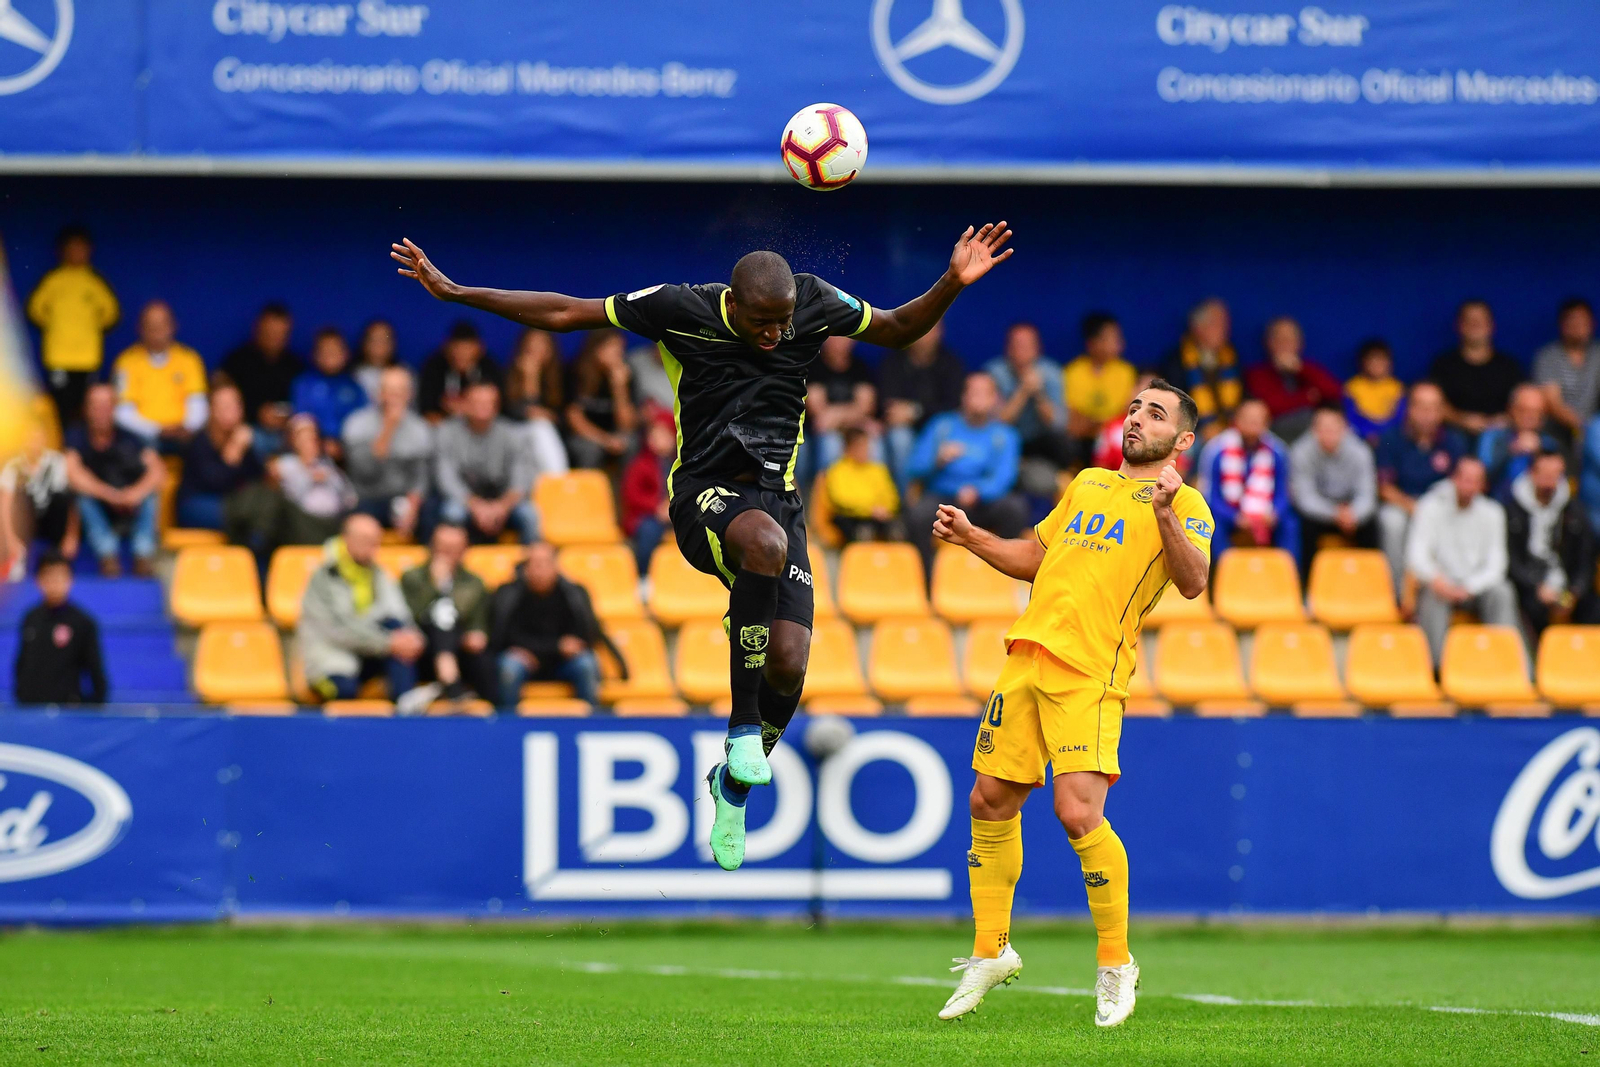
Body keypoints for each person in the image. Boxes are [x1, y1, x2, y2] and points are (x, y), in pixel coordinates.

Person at [394, 216, 1013, 872]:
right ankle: (742, 728)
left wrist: (950, 282)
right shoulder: (679, 308)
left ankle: (734, 784)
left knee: (792, 658)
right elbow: (566, 311)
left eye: (784, 323)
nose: (775, 337)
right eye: (761, 323)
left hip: (780, 501)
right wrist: (460, 293)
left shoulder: (812, 302)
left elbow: (894, 327)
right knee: (765, 547)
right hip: (704, 496)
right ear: (734, 303)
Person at [931, 379, 1212, 1027]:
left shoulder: (1186, 501)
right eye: (1136, 407)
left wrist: (1166, 511)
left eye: (1156, 412)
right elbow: (1039, 555)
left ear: (1183, 440)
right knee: (988, 799)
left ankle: (1116, 963)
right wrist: (974, 538)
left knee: (1077, 811)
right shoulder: (1086, 481)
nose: (1139, 418)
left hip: (1090, 668)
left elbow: (1194, 581)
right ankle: (990, 950)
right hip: (1027, 654)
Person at [905, 373, 1028, 578]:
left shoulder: (1004, 435)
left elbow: (1005, 477)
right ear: (963, 397)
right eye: (973, 393)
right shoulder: (942, 426)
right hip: (944, 501)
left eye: (984, 393)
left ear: (994, 399)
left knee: (1015, 509)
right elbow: (914, 468)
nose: (978, 399)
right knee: (917, 516)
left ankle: (1002, 578)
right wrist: (938, 459)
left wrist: (978, 490)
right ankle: (928, 584)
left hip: (984, 502)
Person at [298, 513, 425, 704]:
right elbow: (337, 630)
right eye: (367, 541)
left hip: (366, 653)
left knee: (397, 627)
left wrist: (412, 637)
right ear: (347, 539)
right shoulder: (323, 578)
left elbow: (399, 613)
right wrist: (388, 643)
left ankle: (405, 704)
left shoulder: (379, 573)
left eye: (377, 542)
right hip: (331, 660)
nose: (373, 549)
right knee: (344, 690)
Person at [1404, 456, 1518, 664]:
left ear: (1483, 485)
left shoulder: (1493, 513)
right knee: (1432, 595)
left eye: (1475, 481)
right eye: (1465, 479)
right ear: (1453, 478)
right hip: (1440, 585)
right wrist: (1437, 580)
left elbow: (1497, 564)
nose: (1469, 486)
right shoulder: (1429, 506)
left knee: (1503, 592)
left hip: (1477, 589)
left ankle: (1507, 662)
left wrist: (1470, 588)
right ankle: (1435, 668)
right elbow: (1417, 555)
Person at [488, 541, 609, 709]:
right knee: (509, 667)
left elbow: (587, 634)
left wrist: (563, 649)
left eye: (545, 564)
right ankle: (506, 728)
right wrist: (557, 646)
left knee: (586, 664)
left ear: (556, 567)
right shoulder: (508, 593)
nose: (540, 571)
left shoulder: (575, 593)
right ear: (525, 568)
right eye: (535, 564)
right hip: (523, 660)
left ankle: (591, 724)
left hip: (563, 663)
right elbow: (502, 637)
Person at [1375, 382, 1467, 594]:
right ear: (1410, 409)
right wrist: (1413, 507)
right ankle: (1397, 593)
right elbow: (1384, 487)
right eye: (1423, 408)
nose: (1429, 415)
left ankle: (1448, 587)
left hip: (1441, 506)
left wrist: (1432, 509)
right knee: (1392, 521)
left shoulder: (1453, 442)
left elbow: (1459, 484)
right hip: (1403, 504)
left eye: (1435, 408)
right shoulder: (1391, 439)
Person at [63, 383, 164, 577]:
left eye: (106, 405)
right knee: (82, 498)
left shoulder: (132, 438)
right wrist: (110, 495)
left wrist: (136, 493)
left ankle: (143, 555)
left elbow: (157, 471)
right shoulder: (76, 437)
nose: (101, 412)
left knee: (151, 495)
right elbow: (73, 474)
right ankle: (107, 556)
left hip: (130, 506)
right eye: (96, 406)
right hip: (100, 509)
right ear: (86, 409)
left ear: (115, 408)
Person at [27, 225, 118, 428]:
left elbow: (111, 314)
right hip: (59, 357)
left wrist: (89, 328)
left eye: (81, 248)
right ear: (62, 251)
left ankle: (82, 450)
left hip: (87, 358)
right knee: (60, 407)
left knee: (87, 407)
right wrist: (57, 327)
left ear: (89, 251)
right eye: (72, 247)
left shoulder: (94, 282)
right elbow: (35, 310)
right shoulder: (53, 281)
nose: (77, 252)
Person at [229, 415, 355, 561]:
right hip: (298, 523)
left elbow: (349, 498)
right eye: (302, 438)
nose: (307, 444)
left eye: (311, 439)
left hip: (331, 523)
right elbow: (286, 501)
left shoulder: (328, 466)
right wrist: (308, 478)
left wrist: (330, 480)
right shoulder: (284, 465)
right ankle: (257, 539)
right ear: (293, 440)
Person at [399, 522, 493, 706]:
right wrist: (436, 585)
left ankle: (497, 715)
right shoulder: (412, 577)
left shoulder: (474, 583)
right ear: (432, 547)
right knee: (440, 627)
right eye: (443, 548)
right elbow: (411, 616)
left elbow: (477, 621)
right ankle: (452, 689)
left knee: (485, 660)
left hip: (460, 646)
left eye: (454, 549)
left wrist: (477, 633)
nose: (447, 554)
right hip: (422, 646)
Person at [1505, 449, 1597, 637]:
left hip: (1566, 585)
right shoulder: (1513, 511)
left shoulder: (1574, 511)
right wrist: (1535, 586)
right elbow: (1511, 559)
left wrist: (1575, 591)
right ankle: (1539, 662)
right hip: (1529, 586)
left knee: (1594, 608)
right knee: (1529, 607)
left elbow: (1586, 557)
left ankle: (1590, 662)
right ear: (1532, 473)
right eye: (1545, 475)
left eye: (1555, 475)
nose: (1549, 481)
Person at [434, 381, 540, 544]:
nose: (482, 408)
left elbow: (522, 479)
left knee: (529, 515)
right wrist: (476, 506)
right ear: (464, 405)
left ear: (497, 406)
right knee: (452, 512)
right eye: (476, 403)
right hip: (465, 500)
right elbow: (447, 479)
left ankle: (531, 566)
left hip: (504, 501)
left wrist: (502, 506)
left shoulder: (513, 434)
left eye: (488, 403)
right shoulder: (446, 432)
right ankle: (452, 566)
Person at [1196, 398, 1296, 556]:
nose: (1253, 424)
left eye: (1259, 420)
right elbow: (1209, 494)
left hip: (1266, 514)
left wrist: (1274, 513)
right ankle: (1223, 574)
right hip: (1229, 513)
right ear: (1237, 421)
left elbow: (1284, 492)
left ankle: (1288, 577)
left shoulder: (1278, 451)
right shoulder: (1216, 449)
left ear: (1267, 423)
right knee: (1211, 523)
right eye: (1249, 419)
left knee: (1290, 524)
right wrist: (1234, 517)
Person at [341, 366, 433, 538]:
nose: (394, 398)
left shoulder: (420, 428)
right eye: (389, 391)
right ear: (378, 393)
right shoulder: (357, 423)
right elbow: (364, 472)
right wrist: (388, 429)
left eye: (400, 391)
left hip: (404, 497)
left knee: (432, 516)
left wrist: (412, 506)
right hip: (367, 497)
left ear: (410, 394)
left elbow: (420, 477)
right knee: (357, 519)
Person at [878, 320, 966, 495]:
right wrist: (903, 414)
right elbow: (888, 407)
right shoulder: (894, 362)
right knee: (899, 437)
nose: (926, 335)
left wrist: (915, 411)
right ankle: (908, 503)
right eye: (922, 327)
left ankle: (936, 499)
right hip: (902, 430)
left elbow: (953, 406)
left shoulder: (951, 364)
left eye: (932, 329)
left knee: (947, 432)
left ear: (940, 333)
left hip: (939, 430)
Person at [1289, 405, 1378, 573]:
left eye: (1334, 428)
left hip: (1351, 513)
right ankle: (1309, 586)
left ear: (1345, 428)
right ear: (1313, 430)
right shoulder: (1301, 451)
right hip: (1319, 512)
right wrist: (1335, 513)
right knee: (1303, 526)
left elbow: (1367, 494)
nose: (1328, 434)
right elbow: (1304, 498)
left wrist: (1354, 514)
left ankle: (1369, 580)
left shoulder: (1360, 452)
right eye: (1323, 428)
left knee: (1371, 524)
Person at [110, 300, 208, 452]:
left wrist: (187, 428)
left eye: (163, 326)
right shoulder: (125, 362)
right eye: (151, 327)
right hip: (144, 436)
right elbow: (122, 412)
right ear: (140, 329)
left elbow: (198, 403)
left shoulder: (189, 359)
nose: (158, 332)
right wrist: (157, 430)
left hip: (183, 434)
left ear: (173, 326)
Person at [986, 322, 1072, 489]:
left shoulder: (1052, 373)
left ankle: (1061, 478)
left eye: (1027, 345)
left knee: (1063, 442)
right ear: (1008, 348)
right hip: (1005, 440)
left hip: (1039, 441)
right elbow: (996, 423)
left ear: (1037, 348)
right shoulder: (994, 374)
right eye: (1017, 345)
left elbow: (1058, 423)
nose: (1022, 351)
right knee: (997, 438)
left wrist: (1039, 394)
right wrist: (1023, 391)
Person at [13, 551, 106, 706]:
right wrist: (22, 696)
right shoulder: (30, 618)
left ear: (70, 579)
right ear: (39, 580)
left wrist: (87, 709)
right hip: (32, 712)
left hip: (67, 714)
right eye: (49, 576)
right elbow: (21, 664)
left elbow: (97, 675)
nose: (54, 583)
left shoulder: (83, 622)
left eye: (60, 576)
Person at [1428, 299, 1524, 438]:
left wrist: (1507, 419)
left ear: (1492, 326)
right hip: (1455, 435)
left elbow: (1524, 401)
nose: (1475, 325)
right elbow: (1433, 403)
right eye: (1469, 320)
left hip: (1503, 436)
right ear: (1459, 326)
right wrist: (1461, 420)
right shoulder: (1443, 365)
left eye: (1481, 320)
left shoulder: (1509, 366)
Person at [176, 384, 263, 531]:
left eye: (235, 405)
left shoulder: (243, 437)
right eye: (224, 406)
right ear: (211, 410)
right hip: (197, 504)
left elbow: (256, 478)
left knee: (263, 510)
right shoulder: (199, 442)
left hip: (235, 502)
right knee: (254, 515)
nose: (231, 411)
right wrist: (235, 449)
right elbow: (217, 482)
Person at [1243, 316, 1342, 443]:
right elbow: (1271, 408)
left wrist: (1300, 369)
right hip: (1276, 437)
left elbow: (1335, 393)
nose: (1285, 344)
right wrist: (1307, 397)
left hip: (1315, 440)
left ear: (1299, 343)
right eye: (1280, 339)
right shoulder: (1257, 374)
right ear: (1269, 343)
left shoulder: (1309, 369)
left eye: (1290, 339)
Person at [217, 303, 303, 445]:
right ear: (258, 329)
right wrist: (257, 413)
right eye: (269, 332)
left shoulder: (296, 366)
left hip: (288, 435)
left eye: (280, 333)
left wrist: (287, 418)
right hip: (246, 431)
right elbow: (222, 401)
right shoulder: (236, 362)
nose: (274, 338)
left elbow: (303, 405)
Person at [0, 423, 77, 581]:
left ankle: (57, 560)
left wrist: (72, 535)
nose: (33, 442)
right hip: (26, 522)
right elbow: (5, 504)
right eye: (29, 438)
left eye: (37, 438)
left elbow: (71, 502)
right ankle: (18, 558)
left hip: (52, 522)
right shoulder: (13, 466)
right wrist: (10, 539)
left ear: (45, 439)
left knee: (61, 496)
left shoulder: (58, 462)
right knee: (20, 496)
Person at [1063, 312, 1138, 466]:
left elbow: (1127, 413)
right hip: (1084, 441)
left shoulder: (1126, 372)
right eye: (1112, 339)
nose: (1119, 344)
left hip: (1116, 437)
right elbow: (1074, 423)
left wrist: (1099, 423)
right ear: (1092, 343)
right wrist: (1098, 423)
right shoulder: (1073, 372)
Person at [1160, 298, 1241, 438]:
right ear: (1198, 328)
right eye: (1217, 324)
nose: (1224, 329)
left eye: (1225, 324)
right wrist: (1200, 429)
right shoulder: (1177, 361)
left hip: (1232, 430)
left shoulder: (1232, 357)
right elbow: (1174, 406)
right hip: (1193, 433)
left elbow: (1242, 398)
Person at [804, 334, 879, 478]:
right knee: (831, 442)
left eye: (845, 336)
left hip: (853, 429)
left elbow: (866, 407)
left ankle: (873, 496)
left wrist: (835, 415)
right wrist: (854, 414)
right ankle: (828, 497)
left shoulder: (861, 367)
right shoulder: (813, 367)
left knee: (875, 443)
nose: (840, 342)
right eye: (835, 336)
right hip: (817, 434)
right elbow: (819, 415)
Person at [564, 328, 638, 470]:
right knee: (589, 449)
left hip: (615, 435)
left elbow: (627, 426)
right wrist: (605, 440)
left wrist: (619, 389)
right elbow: (573, 418)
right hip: (585, 436)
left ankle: (625, 492)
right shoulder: (576, 372)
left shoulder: (626, 374)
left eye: (620, 348)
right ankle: (588, 491)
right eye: (612, 347)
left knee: (631, 443)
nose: (618, 353)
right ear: (596, 348)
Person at [504, 327, 570, 475]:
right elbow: (508, 415)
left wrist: (546, 416)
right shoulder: (508, 375)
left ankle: (557, 484)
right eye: (531, 346)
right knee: (539, 427)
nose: (536, 351)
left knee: (541, 428)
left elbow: (564, 418)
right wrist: (530, 378)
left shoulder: (561, 376)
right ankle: (559, 482)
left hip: (550, 439)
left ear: (551, 349)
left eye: (542, 345)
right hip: (514, 437)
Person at [1533, 297, 1600, 443]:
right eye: (1572, 321)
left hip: (1594, 428)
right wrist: (1582, 428)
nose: (1578, 326)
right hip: (1557, 431)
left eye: (1583, 321)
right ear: (1562, 325)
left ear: (1592, 324)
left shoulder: (1597, 353)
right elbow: (1552, 403)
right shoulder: (1548, 356)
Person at [290, 327, 366, 453]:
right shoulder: (304, 383)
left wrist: (341, 445)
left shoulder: (355, 386)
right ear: (315, 354)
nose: (330, 356)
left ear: (345, 354)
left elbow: (362, 421)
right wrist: (321, 443)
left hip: (347, 448)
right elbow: (301, 418)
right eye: (325, 351)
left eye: (335, 350)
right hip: (313, 447)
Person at [1478, 383, 1560, 500]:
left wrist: (1539, 453)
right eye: (1524, 410)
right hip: (1497, 505)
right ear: (1511, 409)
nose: (1530, 417)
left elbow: (1559, 482)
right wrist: (1511, 450)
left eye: (1536, 412)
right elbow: (1481, 477)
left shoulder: (1548, 444)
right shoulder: (1493, 436)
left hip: (1535, 510)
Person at [824, 426, 902, 542]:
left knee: (897, 528)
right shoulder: (837, 470)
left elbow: (892, 497)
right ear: (848, 448)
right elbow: (841, 500)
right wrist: (870, 509)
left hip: (878, 517)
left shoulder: (878, 469)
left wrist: (884, 509)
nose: (865, 449)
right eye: (860, 446)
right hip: (851, 518)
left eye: (866, 445)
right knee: (859, 529)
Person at [620, 413, 675, 576]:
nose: (658, 439)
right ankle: (643, 576)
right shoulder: (640, 463)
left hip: (676, 514)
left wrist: (673, 506)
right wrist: (657, 507)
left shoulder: (680, 463)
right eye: (654, 435)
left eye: (664, 435)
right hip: (647, 516)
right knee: (648, 530)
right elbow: (632, 494)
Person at [417, 319, 504, 421]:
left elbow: (500, 410)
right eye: (458, 348)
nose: (462, 354)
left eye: (467, 348)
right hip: (443, 428)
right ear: (447, 347)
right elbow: (427, 411)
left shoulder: (490, 368)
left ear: (480, 348)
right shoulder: (434, 367)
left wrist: (467, 409)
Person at [1343, 338, 1406, 444]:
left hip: (1390, 438)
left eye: (1381, 359)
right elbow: (1351, 417)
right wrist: (1367, 433)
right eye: (1372, 360)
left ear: (1389, 362)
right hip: (1361, 438)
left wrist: (1385, 435)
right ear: (1362, 362)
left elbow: (1400, 417)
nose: (1376, 364)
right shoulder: (1352, 387)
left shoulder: (1397, 388)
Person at [352, 319, 399, 403]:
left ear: (393, 344)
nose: (379, 344)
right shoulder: (353, 376)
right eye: (374, 339)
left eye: (385, 339)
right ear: (365, 344)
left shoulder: (404, 375)